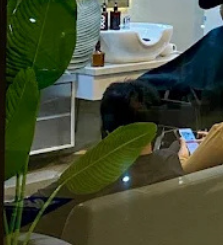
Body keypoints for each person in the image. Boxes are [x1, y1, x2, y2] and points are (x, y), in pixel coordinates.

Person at [37, 81, 181, 234]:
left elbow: (24, 213)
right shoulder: (170, 163)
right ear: (155, 128)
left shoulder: (86, 179)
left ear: (106, 130)